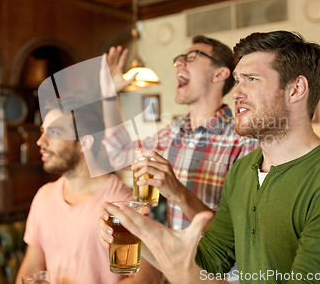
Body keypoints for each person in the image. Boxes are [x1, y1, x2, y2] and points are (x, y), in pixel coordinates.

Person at [99, 31, 320, 283]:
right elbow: (211, 262)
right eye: (238, 81)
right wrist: (136, 232)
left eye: (251, 80)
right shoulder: (245, 170)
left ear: (296, 90)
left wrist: (189, 277)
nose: (237, 94)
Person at [101, 36, 260, 231]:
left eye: (191, 57)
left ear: (219, 74)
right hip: (175, 259)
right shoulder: (174, 132)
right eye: (178, 59)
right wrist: (108, 97)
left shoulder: (245, 139)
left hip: (220, 261)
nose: (178, 63)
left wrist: (177, 191)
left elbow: (243, 228)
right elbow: (118, 155)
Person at [16, 98, 161, 284]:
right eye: (43, 132)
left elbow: (148, 278)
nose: (40, 141)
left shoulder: (123, 203)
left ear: (85, 142)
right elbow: (30, 268)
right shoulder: (43, 196)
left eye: (54, 132)